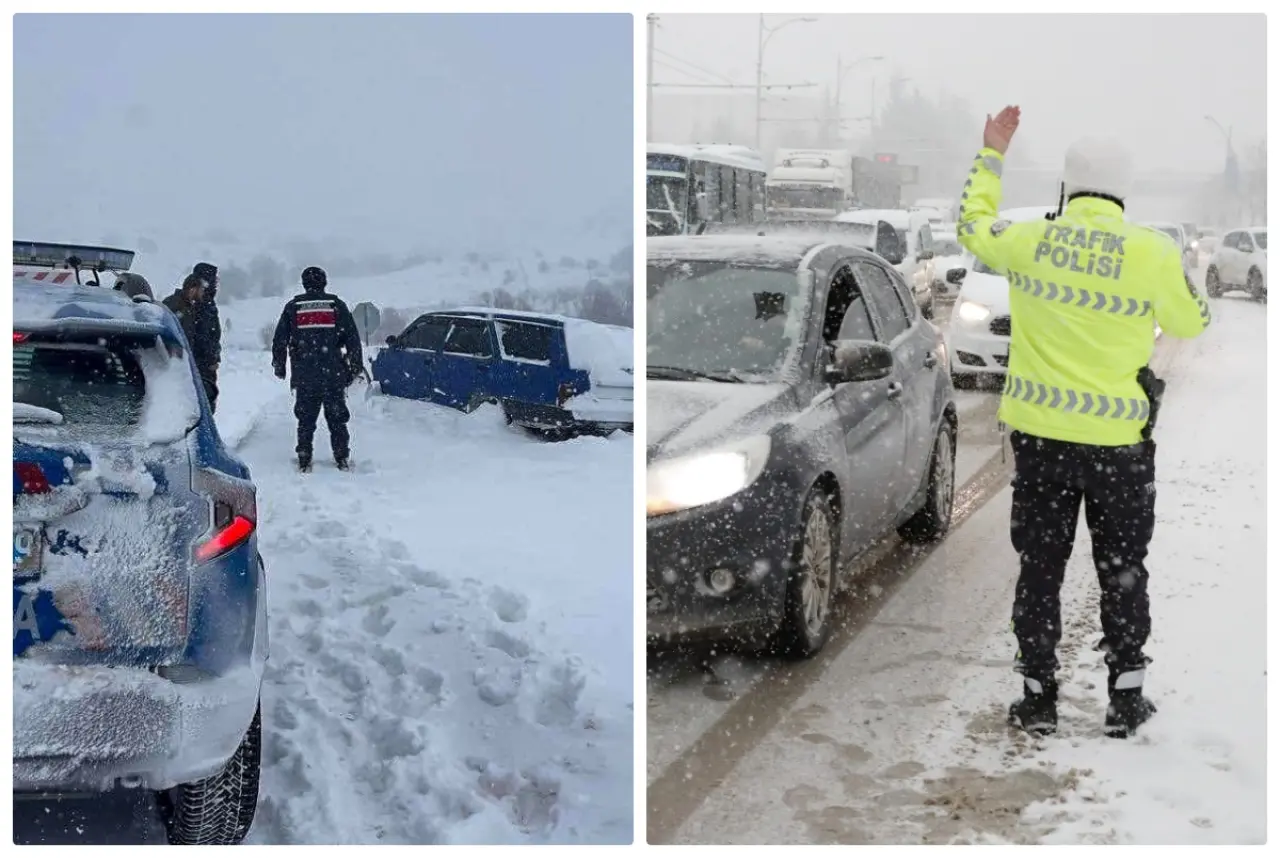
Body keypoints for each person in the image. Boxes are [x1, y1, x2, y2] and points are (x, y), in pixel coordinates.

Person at [956, 105, 1211, 739]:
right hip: (1118, 451)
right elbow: (1192, 322)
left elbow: (972, 225)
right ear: (1125, 188)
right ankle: (1125, 698)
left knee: (1041, 568)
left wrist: (992, 153)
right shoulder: (1151, 251)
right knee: (1123, 570)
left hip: (1042, 445)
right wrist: (1186, 277)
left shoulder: (1032, 240)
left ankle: (1038, 697)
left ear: (1068, 184)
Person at [271, 266, 363, 472]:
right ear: (324, 283)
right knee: (337, 417)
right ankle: (341, 456)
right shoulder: (336, 306)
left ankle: (304, 455)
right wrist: (354, 367)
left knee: (305, 418)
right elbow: (352, 339)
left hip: (305, 373)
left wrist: (280, 366)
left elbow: (280, 340)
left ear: (304, 284)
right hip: (333, 372)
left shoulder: (293, 307)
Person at [162, 275, 218, 407]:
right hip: (173, 364)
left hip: (183, 363)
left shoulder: (188, 307)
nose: (203, 293)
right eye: (201, 290)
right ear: (193, 289)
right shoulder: (174, 305)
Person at [190, 262, 223, 413]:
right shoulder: (203, 303)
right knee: (204, 403)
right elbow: (203, 335)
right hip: (202, 363)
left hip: (201, 361)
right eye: (214, 279)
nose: (216, 282)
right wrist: (211, 359)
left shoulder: (205, 301)